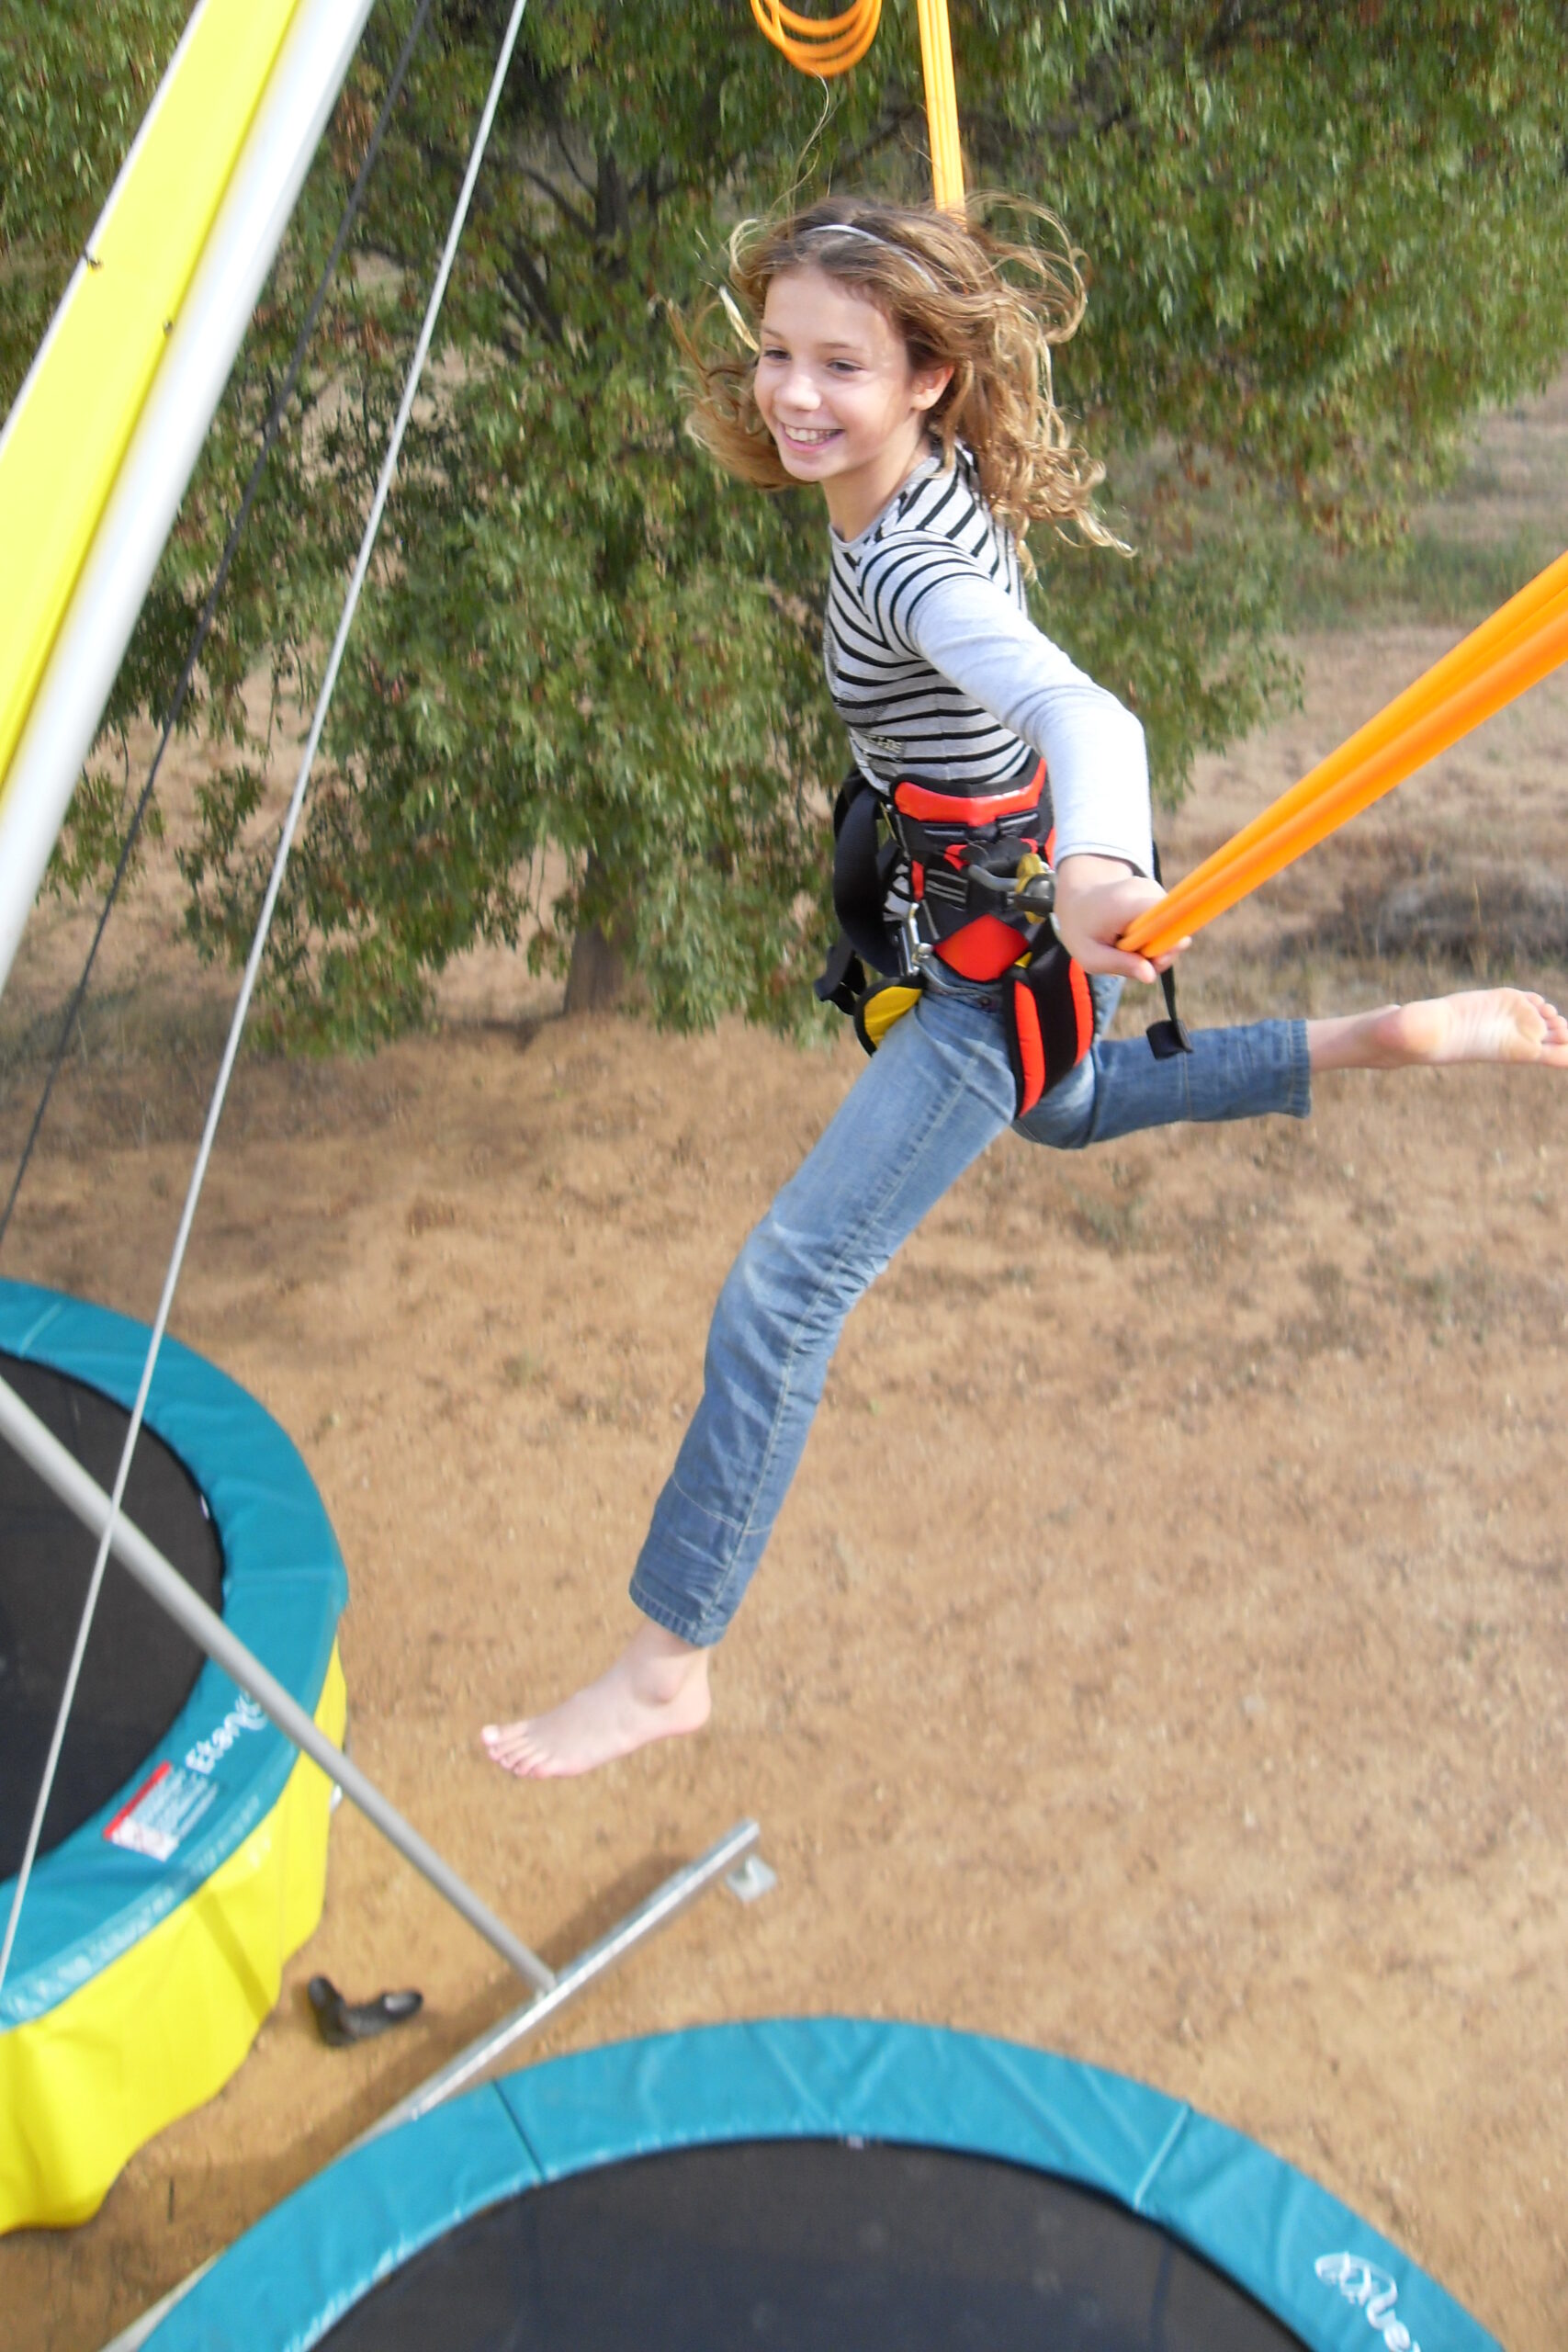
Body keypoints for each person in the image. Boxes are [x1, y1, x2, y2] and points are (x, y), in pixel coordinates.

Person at [482, 197, 1568, 1780]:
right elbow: (920, 365)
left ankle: (668, 1664)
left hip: (1019, 940)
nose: (792, 393)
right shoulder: (927, 463)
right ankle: (1382, 1037)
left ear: (927, 376)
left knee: (786, 1288)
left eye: (840, 366)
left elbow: (1089, 716)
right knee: (1059, 1109)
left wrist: (1101, 872)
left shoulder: (919, 568)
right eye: (778, 350)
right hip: (978, 924)